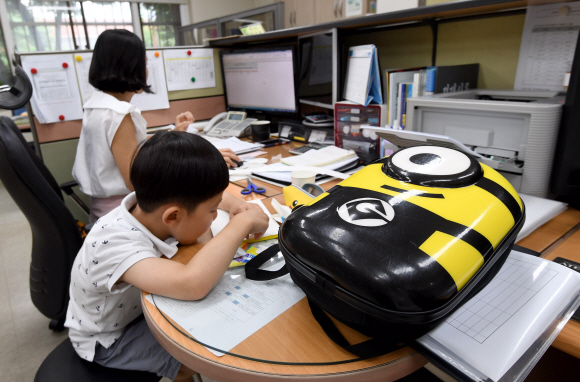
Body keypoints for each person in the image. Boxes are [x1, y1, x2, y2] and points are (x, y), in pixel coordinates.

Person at [65, 131, 269, 381]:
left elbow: (195, 198)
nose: (216, 215)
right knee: (196, 357)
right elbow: (192, 284)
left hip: (134, 312)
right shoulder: (116, 245)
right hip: (107, 340)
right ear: (172, 217)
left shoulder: (146, 207)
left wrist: (235, 205)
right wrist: (242, 223)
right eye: (213, 210)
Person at [72, 29, 241, 222]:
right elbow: (138, 181)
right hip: (123, 213)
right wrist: (203, 162)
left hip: (104, 208)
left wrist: (172, 135)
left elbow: (127, 150)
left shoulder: (97, 104)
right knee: (210, 220)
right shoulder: (118, 114)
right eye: (144, 63)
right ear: (132, 66)